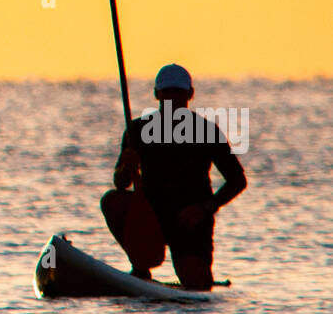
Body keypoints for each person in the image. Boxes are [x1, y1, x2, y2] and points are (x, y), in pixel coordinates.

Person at [100, 64, 247, 291]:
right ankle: (140, 267)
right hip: (151, 217)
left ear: (189, 95)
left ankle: (191, 272)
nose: (172, 100)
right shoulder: (137, 130)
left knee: (196, 286)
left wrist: (205, 208)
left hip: (191, 222)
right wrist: (126, 168)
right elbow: (121, 184)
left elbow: (237, 180)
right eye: (167, 93)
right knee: (112, 200)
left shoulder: (206, 130)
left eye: (177, 93)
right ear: (157, 95)